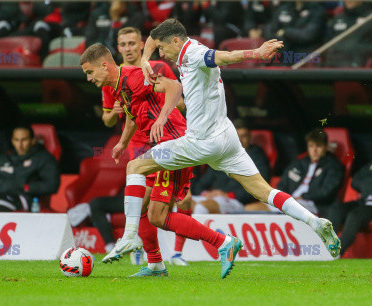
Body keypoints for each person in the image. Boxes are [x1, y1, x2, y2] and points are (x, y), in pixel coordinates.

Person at [118, 18, 339, 270]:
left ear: (177, 41)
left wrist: (255, 53)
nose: (161, 54)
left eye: (163, 49)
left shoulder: (196, 53)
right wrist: (145, 59)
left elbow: (224, 56)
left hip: (200, 142)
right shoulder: (179, 47)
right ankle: (314, 222)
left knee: (135, 167)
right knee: (263, 190)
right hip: (226, 137)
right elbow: (153, 37)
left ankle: (130, 235)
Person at [81, 43, 208, 277]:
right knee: (148, 211)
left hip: (174, 141)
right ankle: (156, 263)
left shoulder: (136, 75)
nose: (88, 79)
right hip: (160, 144)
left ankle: (133, 238)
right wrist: (121, 143)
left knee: (138, 175)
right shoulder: (120, 86)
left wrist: (161, 119)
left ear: (104, 65)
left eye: (90, 72)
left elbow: (175, 87)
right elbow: (131, 116)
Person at [97, 26, 192, 267]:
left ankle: (175, 254)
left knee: (182, 200)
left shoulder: (158, 68)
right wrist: (117, 116)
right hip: (139, 144)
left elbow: (180, 101)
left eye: (132, 43)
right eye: (123, 44)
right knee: (146, 204)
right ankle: (147, 253)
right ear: (118, 48)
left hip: (167, 136)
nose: (128, 48)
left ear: (142, 45)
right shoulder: (110, 79)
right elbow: (107, 119)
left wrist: (160, 106)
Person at [249, 128, 344, 215]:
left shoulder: (333, 166)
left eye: (318, 146)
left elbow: (326, 192)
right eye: (311, 146)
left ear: (326, 147)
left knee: (282, 208)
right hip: (290, 200)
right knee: (250, 208)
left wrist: (303, 197)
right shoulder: (299, 163)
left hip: (313, 204)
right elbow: (282, 184)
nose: (314, 150)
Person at [0, 124, 60, 212]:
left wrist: (27, 187)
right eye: (16, 140)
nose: (20, 144)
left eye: (24, 140)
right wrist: (12, 185)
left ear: (32, 140)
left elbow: (52, 185)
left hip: (20, 199)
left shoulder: (43, 158)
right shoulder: (3, 159)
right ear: (12, 141)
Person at [192, 119, 271, 214]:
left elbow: (259, 186)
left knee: (201, 208)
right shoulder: (221, 156)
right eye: (236, 136)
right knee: (182, 204)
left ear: (250, 138)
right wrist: (205, 193)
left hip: (236, 201)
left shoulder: (257, 157)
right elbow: (201, 184)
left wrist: (229, 195)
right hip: (212, 198)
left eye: (244, 136)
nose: (240, 140)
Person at [328, 161, 372, 256]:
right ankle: (326, 246)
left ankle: (336, 254)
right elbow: (355, 181)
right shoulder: (370, 167)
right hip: (363, 201)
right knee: (336, 210)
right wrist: (368, 186)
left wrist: (367, 184)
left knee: (354, 216)